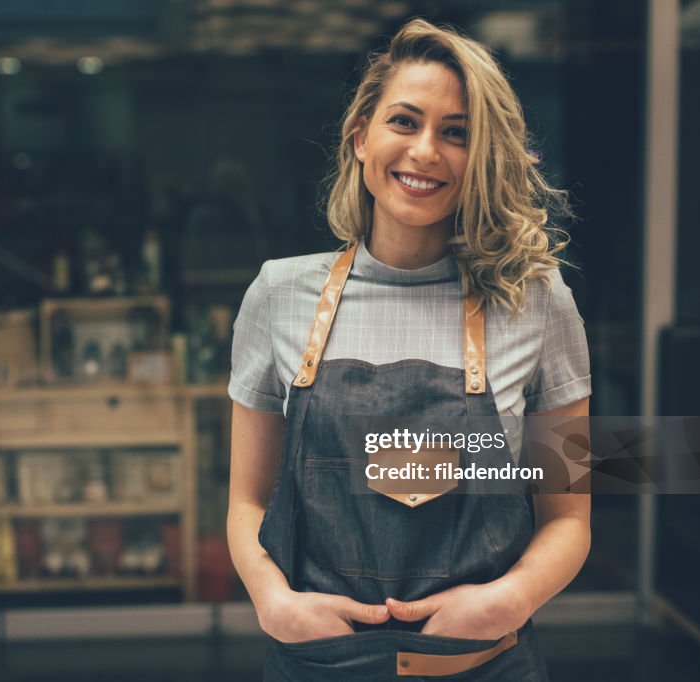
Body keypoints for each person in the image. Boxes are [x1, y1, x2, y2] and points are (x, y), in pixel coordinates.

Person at [227, 17, 591, 681]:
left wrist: (506, 601)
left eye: (456, 133)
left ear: (480, 156)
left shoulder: (535, 300)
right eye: (405, 121)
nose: (426, 151)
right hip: (318, 666)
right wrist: (273, 601)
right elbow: (248, 501)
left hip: (484, 666)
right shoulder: (278, 295)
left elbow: (569, 516)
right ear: (361, 137)